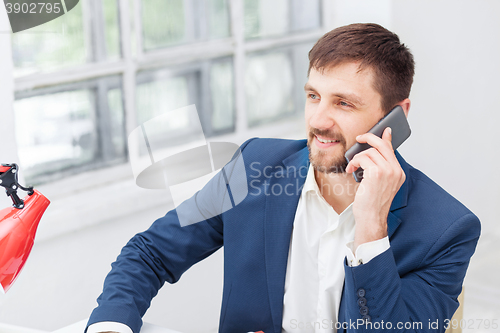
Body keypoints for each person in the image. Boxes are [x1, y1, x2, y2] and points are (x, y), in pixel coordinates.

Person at [86, 23, 480, 333]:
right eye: (313, 96)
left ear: (396, 114)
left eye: (343, 103)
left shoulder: (446, 230)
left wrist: (372, 228)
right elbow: (151, 252)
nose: (318, 121)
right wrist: (110, 325)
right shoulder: (256, 164)